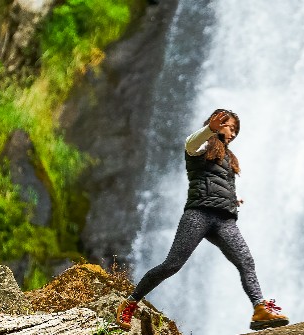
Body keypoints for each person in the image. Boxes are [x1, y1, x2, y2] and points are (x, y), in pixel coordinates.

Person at [116, 109, 289, 331]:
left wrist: (232, 199)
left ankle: (259, 309)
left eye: (236, 129)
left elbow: (216, 183)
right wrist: (210, 130)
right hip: (198, 214)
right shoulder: (202, 146)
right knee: (172, 265)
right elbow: (190, 143)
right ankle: (130, 303)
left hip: (224, 219)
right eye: (229, 126)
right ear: (215, 123)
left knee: (246, 261)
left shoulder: (228, 158)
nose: (233, 132)